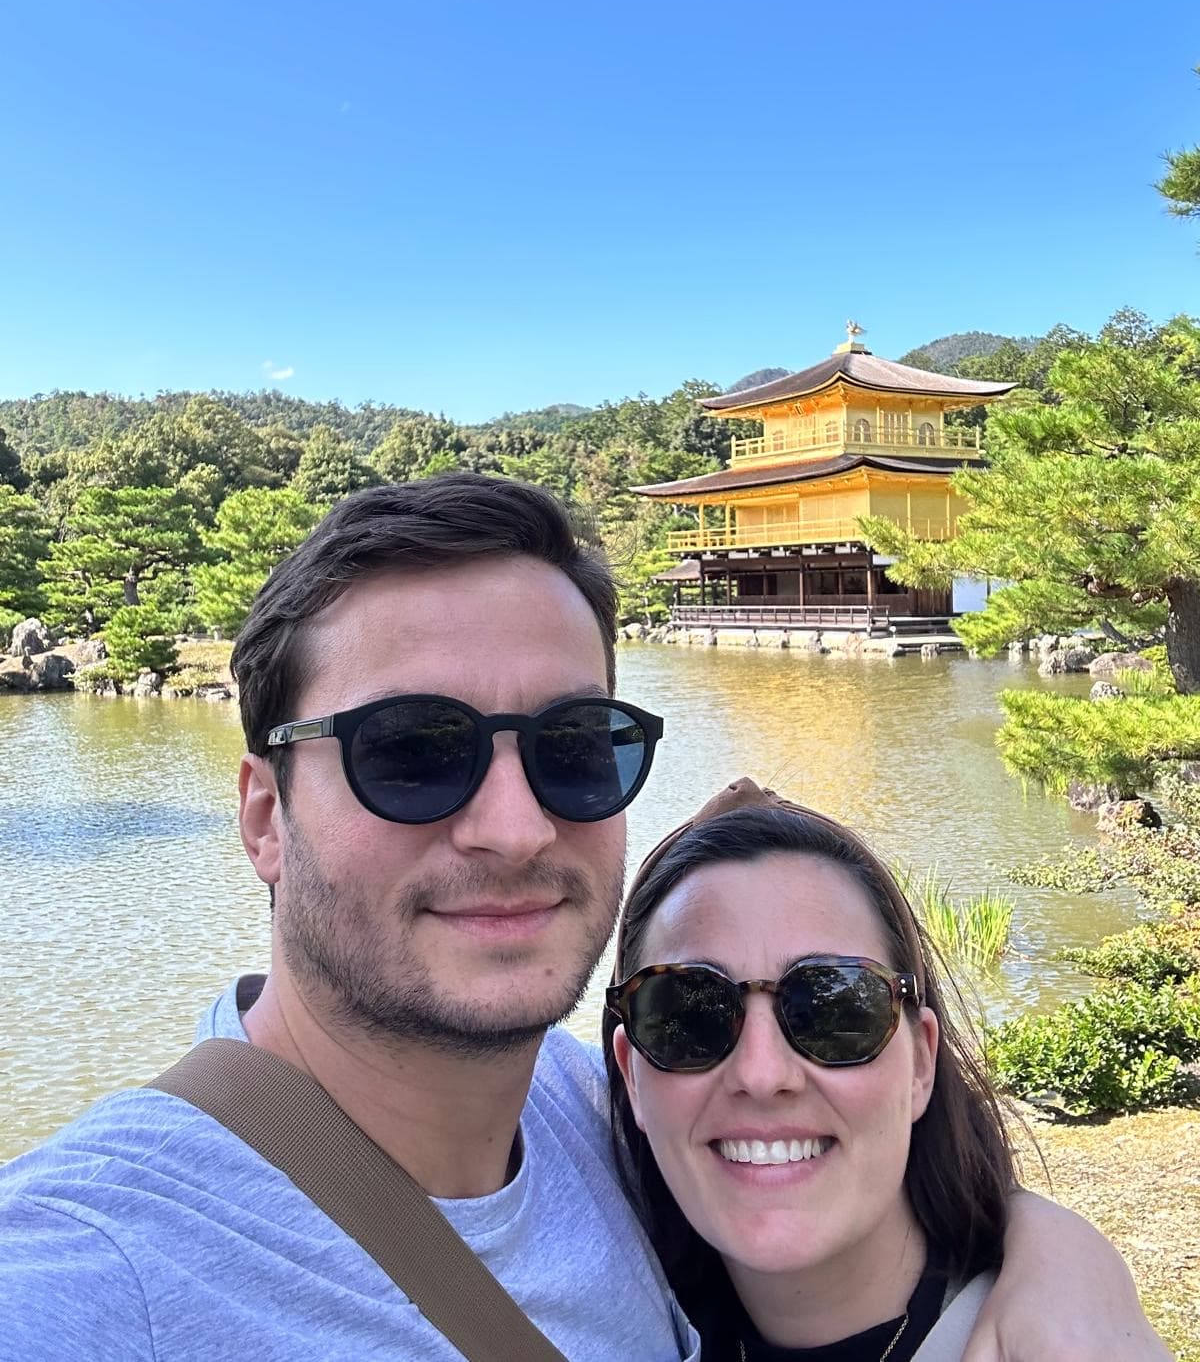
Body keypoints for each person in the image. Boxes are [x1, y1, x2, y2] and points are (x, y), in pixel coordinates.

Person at [0, 475, 1167, 1359]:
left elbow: (852, 1140)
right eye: (411, 752)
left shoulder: (591, 1105)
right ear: (264, 816)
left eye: (571, 749)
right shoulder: (98, 1270)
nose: (513, 829)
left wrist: (1050, 1252)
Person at [605, 779, 1166, 1359]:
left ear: (922, 1062)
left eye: (836, 1009)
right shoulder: (610, 1323)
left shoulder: (1058, 1341)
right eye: (689, 1015)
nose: (763, 1073)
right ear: (631, 1077)